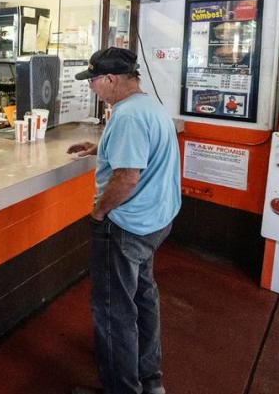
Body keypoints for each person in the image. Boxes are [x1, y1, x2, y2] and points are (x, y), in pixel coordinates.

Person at [67, 47, 181, 394]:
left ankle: (122, 389)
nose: (92, 88)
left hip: (127, 227)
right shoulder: (147, 106)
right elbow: (135, 154)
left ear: (112, 79)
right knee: (143, 297)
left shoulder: (127, 116)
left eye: (94, 81)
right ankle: (150, 380)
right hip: (157, 220)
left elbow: (128, 177)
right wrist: (101, 147)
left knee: (113, 311)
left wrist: (99, 212)